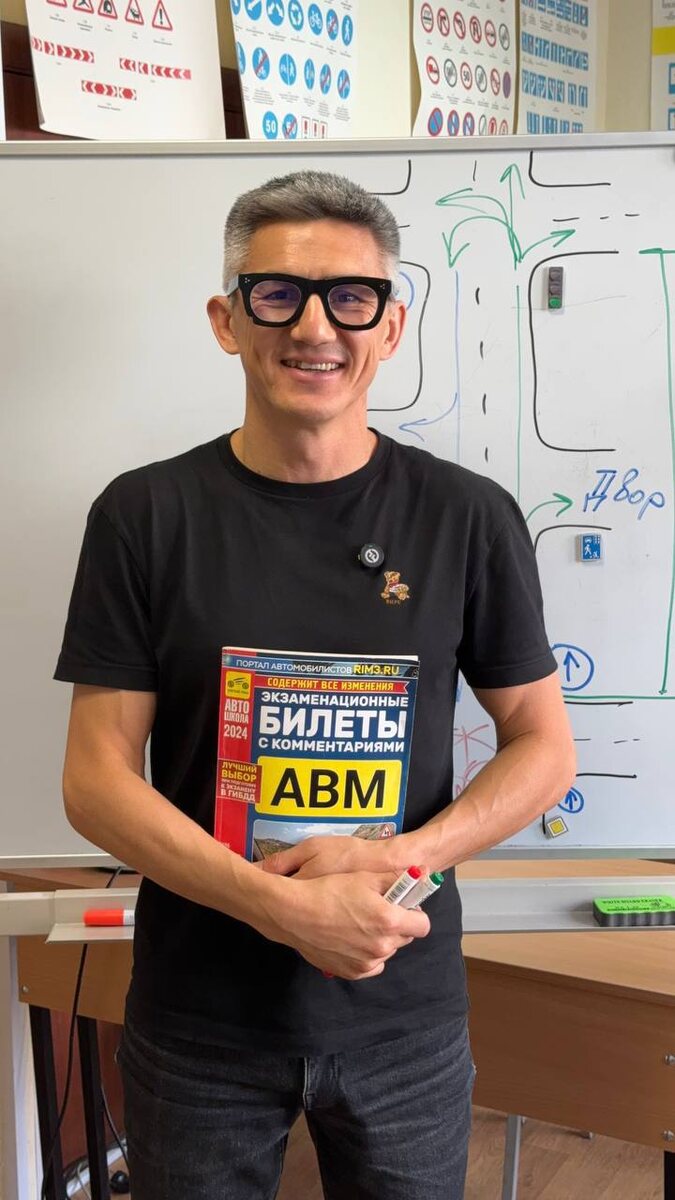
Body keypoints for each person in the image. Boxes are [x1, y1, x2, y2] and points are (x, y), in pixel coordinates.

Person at [55, 170, 576, 1200]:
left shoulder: (467, 517)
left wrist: (395, 860)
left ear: (390, 326)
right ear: (227, 320)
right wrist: (278, 908)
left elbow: (542, 744)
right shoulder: (144, 516)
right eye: (277, 294)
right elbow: (94, 779)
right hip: (199, 1022)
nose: (314, 327)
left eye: (350, 298)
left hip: (402, 1017)